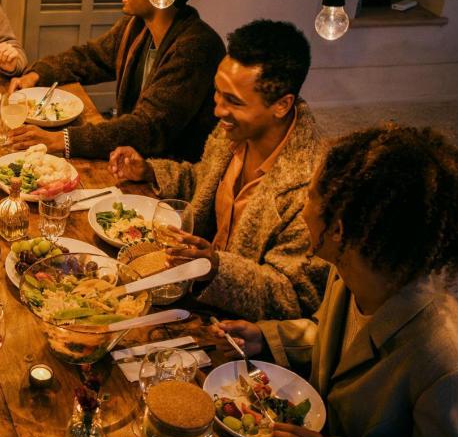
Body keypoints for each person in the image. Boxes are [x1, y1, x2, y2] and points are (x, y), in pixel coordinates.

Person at [213, 126, 458, 437]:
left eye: (309, 195)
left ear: (339, 229)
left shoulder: (451, 366)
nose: (302, 207)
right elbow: (335, 338)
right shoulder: (351, 273)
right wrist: (268, 336)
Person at [110, 20, 326, 320]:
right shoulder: (232, 135)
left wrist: (216, 268)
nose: (218, 110)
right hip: (189, 295)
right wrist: (149, 171)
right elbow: (204, 182)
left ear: (282, 104)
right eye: (217, 93)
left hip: (237, 333)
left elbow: (294, 296)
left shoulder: (312, 186)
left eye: (233, 101)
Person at [7, 0, 224, 161]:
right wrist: (38, 73)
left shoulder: (195, 48)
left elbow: (147, 127)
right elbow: (90, 58)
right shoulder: (137, 26)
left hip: (165, 173)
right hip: (130, 158)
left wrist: (60, 140)